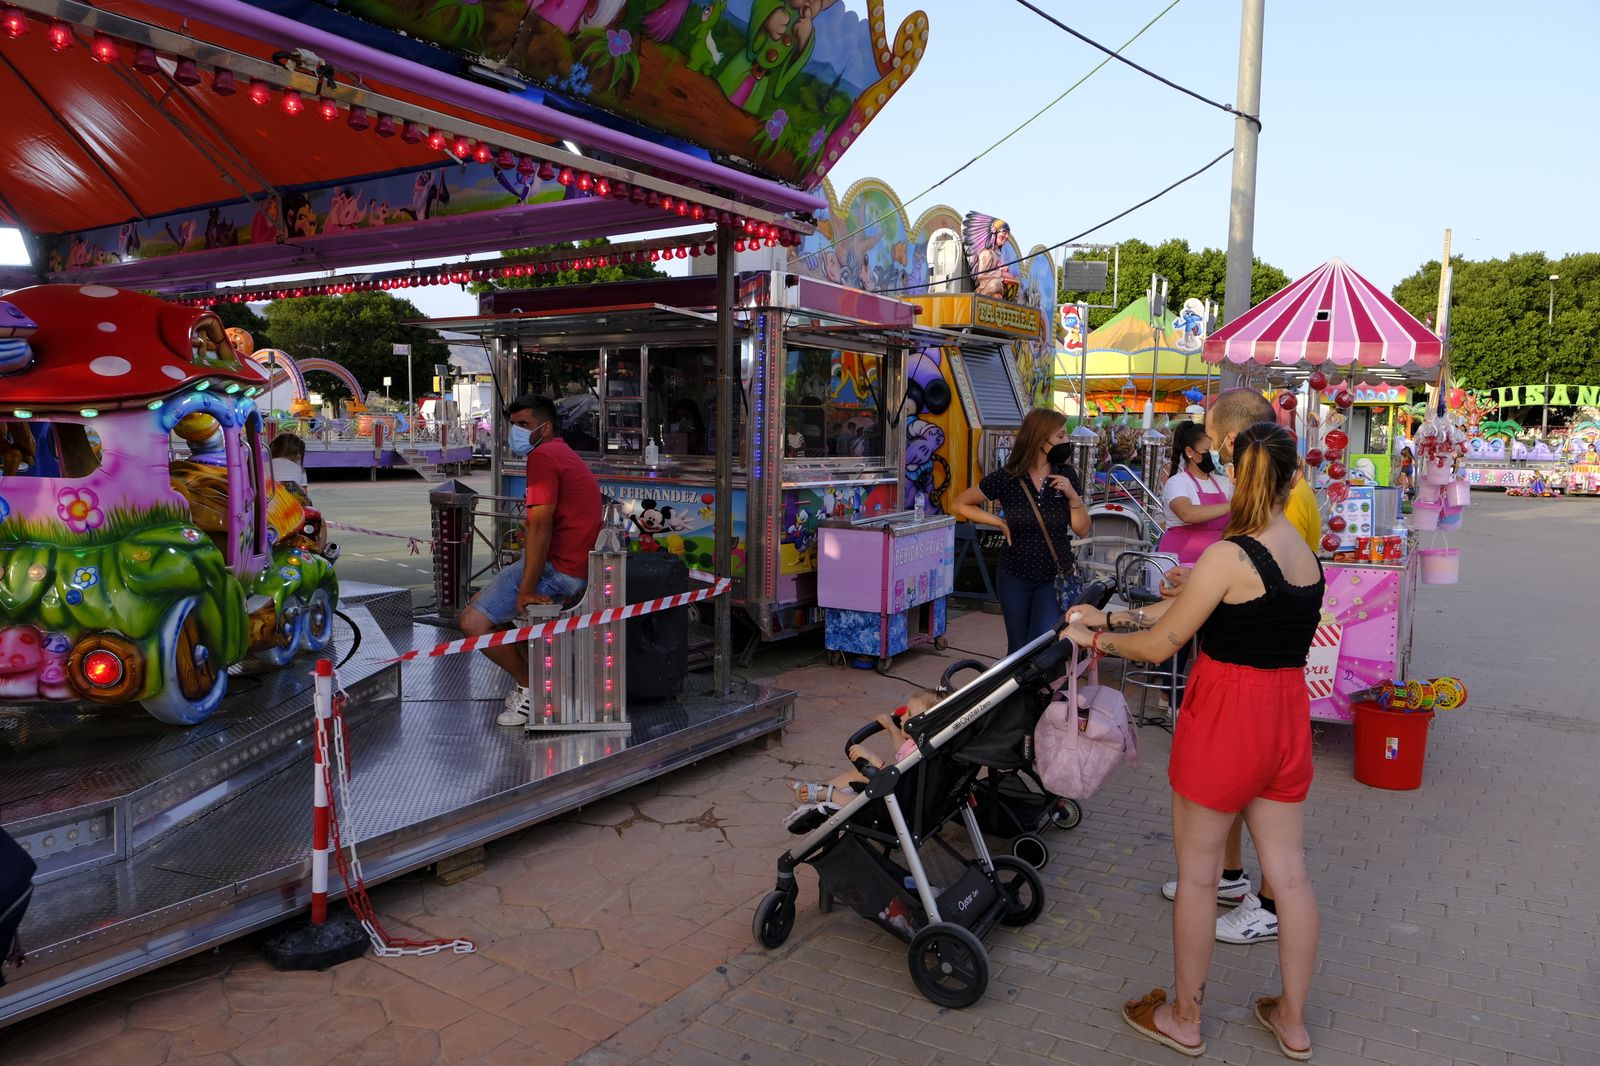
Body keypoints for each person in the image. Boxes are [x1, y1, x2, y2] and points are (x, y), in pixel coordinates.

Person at [1063, 421, 1322, 1060]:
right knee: (1289, 876)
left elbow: (1162, 642)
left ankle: (1185, 1017)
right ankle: (1292, 1021)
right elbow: (1186, 614)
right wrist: (1116, 616)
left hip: (1227, 719)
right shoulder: (1305, 552)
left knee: (1199, 877)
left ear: (1235, 476)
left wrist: (1096, 638)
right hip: (1286, 718)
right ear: (1293, 478)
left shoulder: (1229, 556)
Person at [460, 396, 602, 727]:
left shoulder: (544, 457)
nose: (516, 432)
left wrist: (526, 589)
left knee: (473, 623)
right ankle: (537, 683)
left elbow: (540, 526)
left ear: (545, 427)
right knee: (481, 607)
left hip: (560, 570)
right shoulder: (562, 453)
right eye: (514, 425)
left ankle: (532, 690)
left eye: (524, 425)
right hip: (569, 565)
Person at [952, 408, 1091, 653]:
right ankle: (1019, 692)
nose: (1066, 441)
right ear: (1040, 438)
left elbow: (1082, 529)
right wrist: (999, 523)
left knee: (1042, 643)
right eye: (1060, 436)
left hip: (1053, 576)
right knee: (1017, 648)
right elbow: (960, 503)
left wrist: (1072, 496)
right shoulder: (1009, 477)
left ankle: (1040, 691)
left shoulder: (1066, 475)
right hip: (1014, 574)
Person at [786, 690, 939, 809]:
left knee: (863, 801)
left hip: (897, 802)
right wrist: (892, 727)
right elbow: (903, 749)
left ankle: (830, 794)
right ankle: (819, 787)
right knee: (856, 774)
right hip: (910, 793)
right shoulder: (927, 745)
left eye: (909, 714)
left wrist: (875, 761)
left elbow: (896, 783)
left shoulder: (920, 755)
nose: (902, 717)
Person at [1159, 421, 1234, 565]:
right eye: (1207, 451)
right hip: (1178, 562)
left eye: (1215, 451)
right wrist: (1232, 505)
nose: (1213, 456)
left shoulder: (1224, 483)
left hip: (1214, 563)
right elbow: (1188, 514)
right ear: (1189, 452)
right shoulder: (1177, 482)